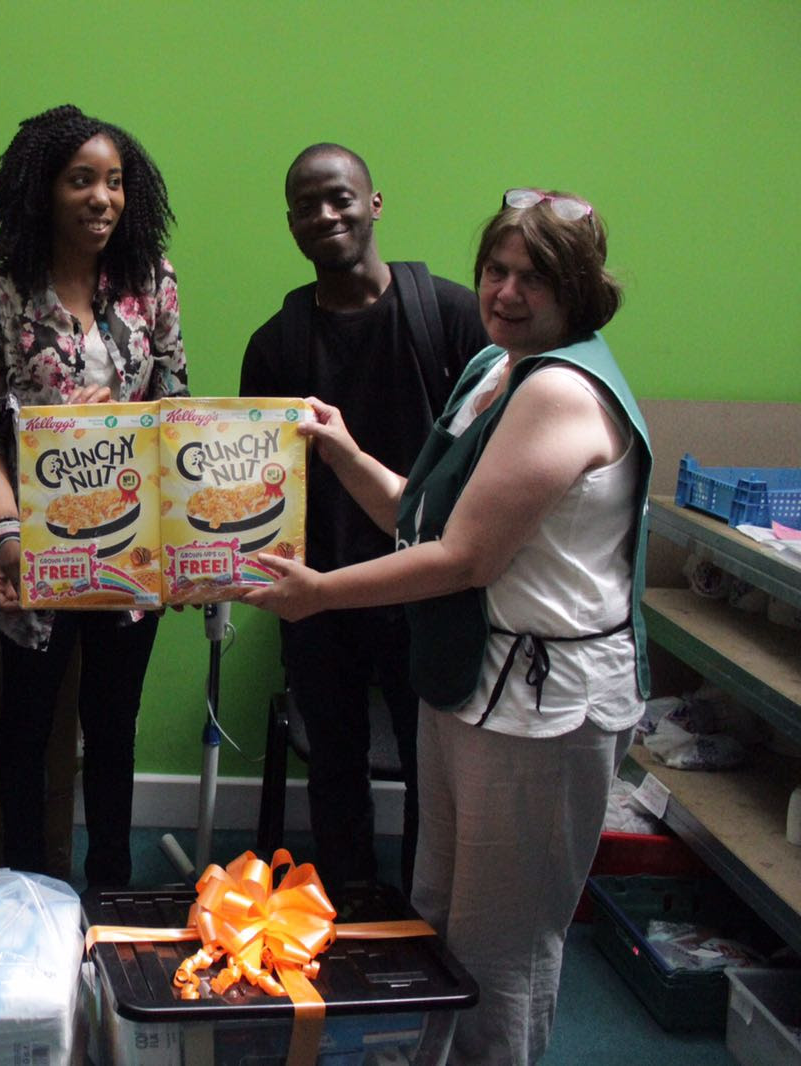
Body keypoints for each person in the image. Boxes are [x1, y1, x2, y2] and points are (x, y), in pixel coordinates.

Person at [244, 189, 651, 1065]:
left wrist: (321, 592)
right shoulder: (495, 370)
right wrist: (345, 451)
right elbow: (422, 517)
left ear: (578, 290)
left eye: (534, 278)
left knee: (502, 950)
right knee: (436, 915)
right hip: (470, 684)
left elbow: (464, 558)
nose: (505, 292)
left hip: (544, 711)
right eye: (496, 270)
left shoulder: (560, 391)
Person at [239, 143, 488, 898]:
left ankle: (421, 917)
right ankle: (344, 915)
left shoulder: (451, 317)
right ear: (290, 223)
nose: (325, 215)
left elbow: (490, 457)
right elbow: (251, 485)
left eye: (340, 198)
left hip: (428, 587)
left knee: (432, 768)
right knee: (334, 766)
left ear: (374, 203)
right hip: (320, 592)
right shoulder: (276, 344)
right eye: (306, 205)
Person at [0, 104, 187, 888]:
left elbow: (175, 409)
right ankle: (28, 889)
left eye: (114, 182)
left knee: (113, 725)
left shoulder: (151, 284)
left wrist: (123, 417)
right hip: (32, 552)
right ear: (43, 189)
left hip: (130, 549)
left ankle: (112, 886)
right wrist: (7, 537)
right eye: (81, 180)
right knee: (26, 728)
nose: (102, 198)